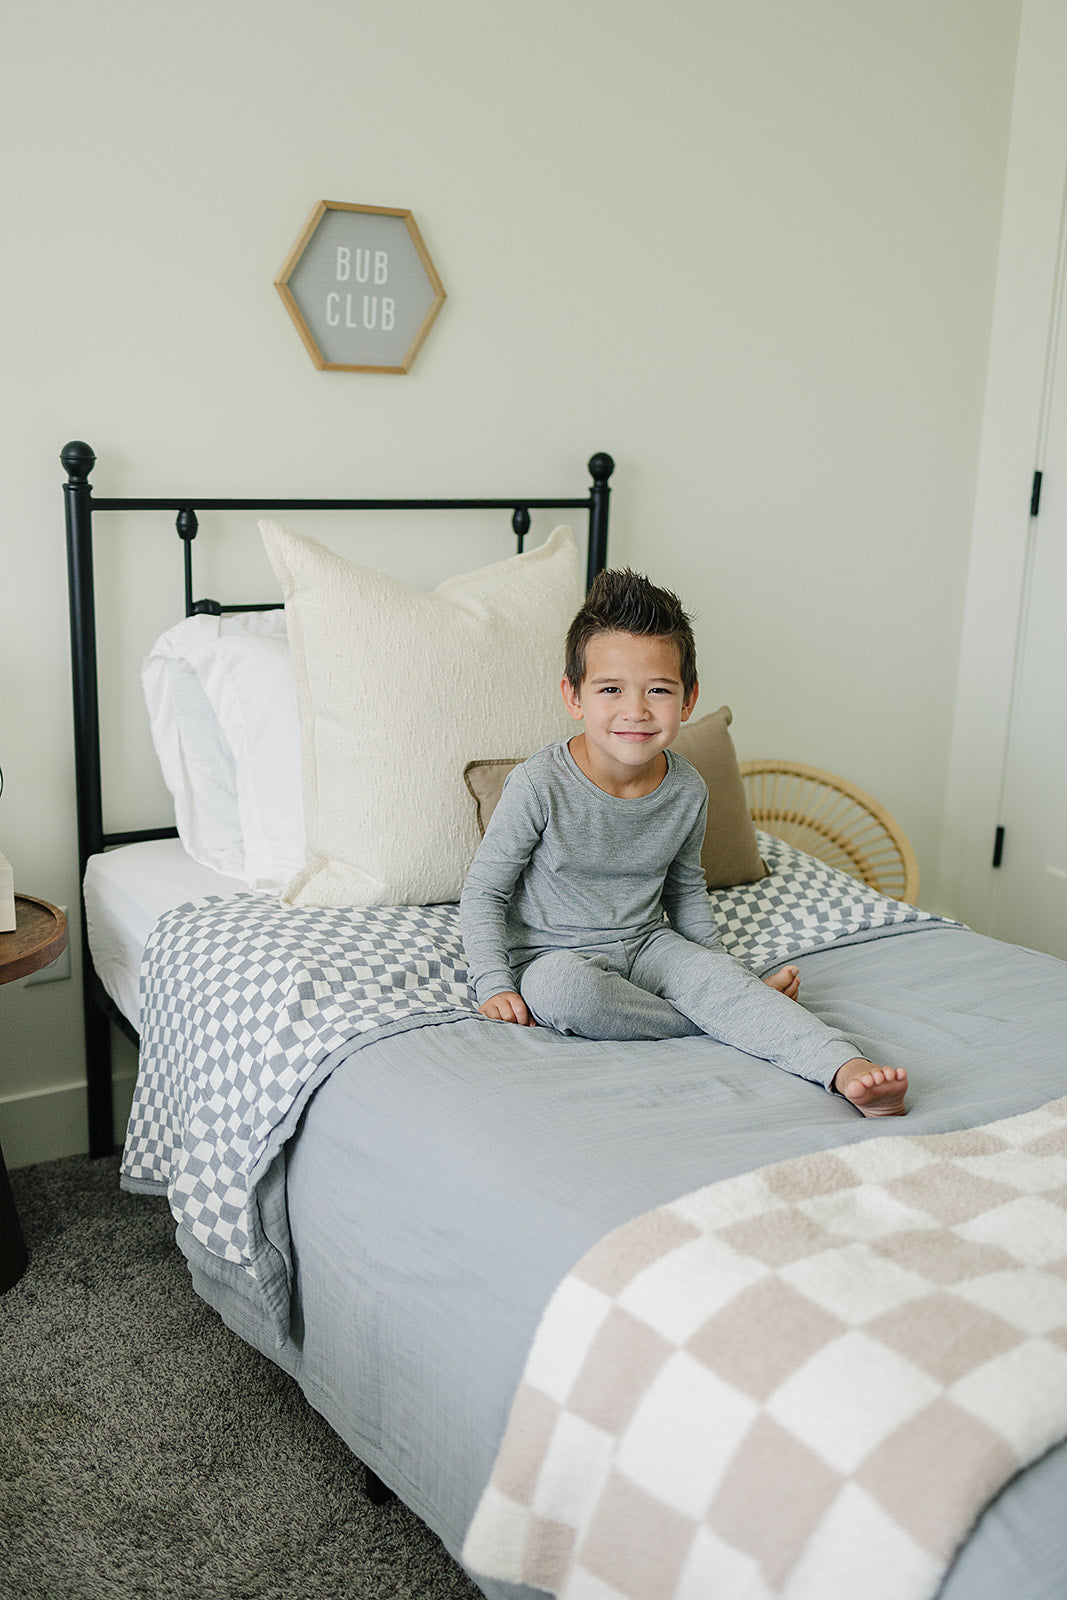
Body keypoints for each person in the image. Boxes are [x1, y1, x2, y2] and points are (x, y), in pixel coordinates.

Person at [459, 568, 908, 1116]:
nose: (636, 710)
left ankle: (844, 1067)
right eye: (610, 689)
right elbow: (485, 891)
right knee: (560, 992)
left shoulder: (687, 787)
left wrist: (717, 968)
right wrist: (492, 983)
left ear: (688, 699)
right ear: (573, 696)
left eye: (658, 690)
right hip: (557, 954)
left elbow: (685, 889)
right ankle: (716, 1017)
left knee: (715, 979)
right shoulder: (538, 783)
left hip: (649, 943)